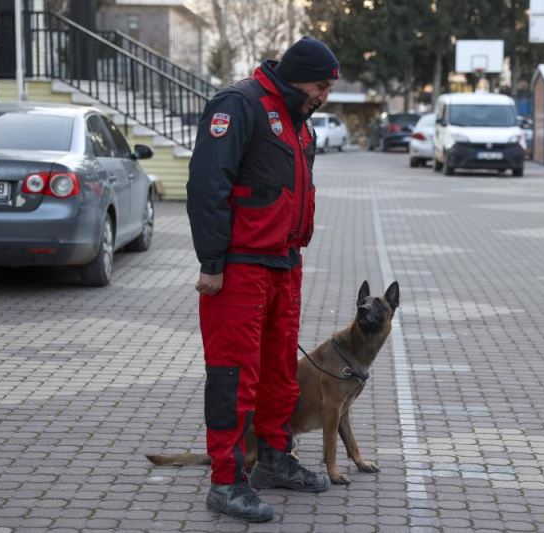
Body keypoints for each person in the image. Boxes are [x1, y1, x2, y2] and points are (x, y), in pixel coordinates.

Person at [186, 37, 339, 522]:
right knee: (234, 377)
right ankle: (226, 483)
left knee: (278, 373)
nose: (324, 97)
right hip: (239, 268)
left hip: (284, 264)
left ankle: (275, 458)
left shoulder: (299, 122)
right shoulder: (239, 105)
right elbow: (206, 184)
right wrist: (212, 262)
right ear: (297, 78)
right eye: (320, 86)